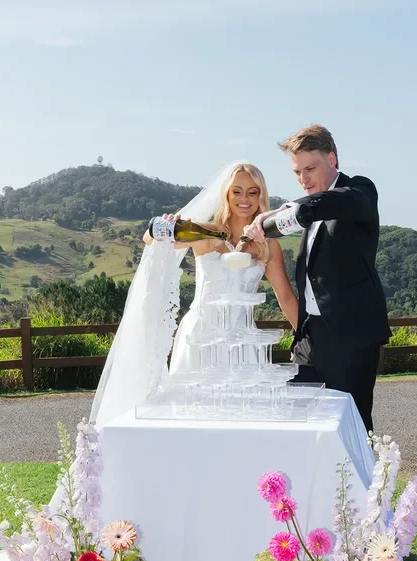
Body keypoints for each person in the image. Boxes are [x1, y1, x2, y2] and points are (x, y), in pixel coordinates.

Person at [244, 125, 391, 433]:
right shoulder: (311, 207)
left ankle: (362, 483)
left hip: (352, 338)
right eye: (297, 172)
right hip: (309, 338)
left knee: (352, 429)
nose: (303, 179)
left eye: (310, 169)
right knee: (301, 424)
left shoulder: (358, 191)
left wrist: (287, 210)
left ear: (332, 159)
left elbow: (331, 203)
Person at [142, 163, 298, 375]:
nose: (244, 199)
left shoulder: (267, 245)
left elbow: (286, 298)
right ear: (226, 194)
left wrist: (313, 344)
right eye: (237, 191)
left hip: (244, 341)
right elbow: (149, 239)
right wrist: (165, 225)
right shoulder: (204, 232)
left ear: (260, 197)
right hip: (200, 336)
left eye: (253, 192)